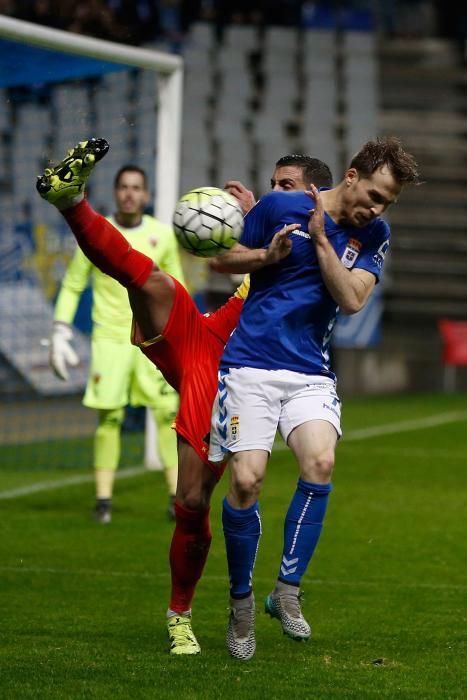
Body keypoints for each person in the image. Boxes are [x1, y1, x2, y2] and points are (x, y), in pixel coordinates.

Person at [36, 138, 333, 655]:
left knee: (192, 501)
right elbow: (225, 260)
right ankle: (70, 200)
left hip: (245, 373)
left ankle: (205, 603)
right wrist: (252, 227)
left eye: (286, 187)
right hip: (207, 339)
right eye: (272, 186)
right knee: (148, 279)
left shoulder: (330, 248)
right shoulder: (267, 223)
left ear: (316, 195)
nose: (273, 195)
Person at [208, 136, 420, 661]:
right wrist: (265, 254)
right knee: (247, 480)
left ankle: (288, 590)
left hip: (309, 372)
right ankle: (240, 603)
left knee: (320, 461)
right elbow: (221, 261)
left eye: (386, 202)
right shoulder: (281, 206)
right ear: (350, 176)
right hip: (250, 364)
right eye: (373, 194)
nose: (376, 207)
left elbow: (351, 300)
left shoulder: (374, 233)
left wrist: (322, 244)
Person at [49, 160, 184, 523]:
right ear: (115, 193)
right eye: (124, 187)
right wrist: (61, 328)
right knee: (109, 419)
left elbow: (176, 289)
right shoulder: (97, 233)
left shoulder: (163, 235)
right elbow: (74, 283)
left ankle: (176, 498)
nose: (130, 194)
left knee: (168, 416)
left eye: (136, 187)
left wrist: (182, 337)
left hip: (151, 340)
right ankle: (103, 501)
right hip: (109, 340)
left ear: (147, 195)